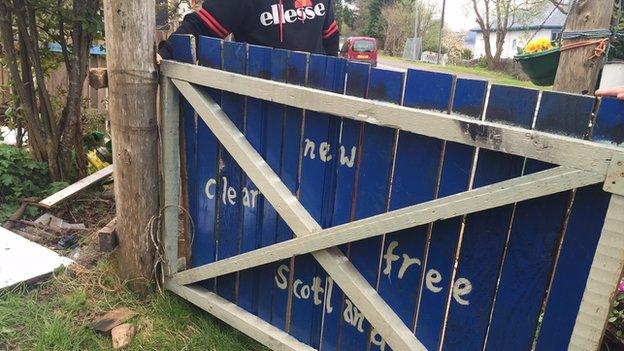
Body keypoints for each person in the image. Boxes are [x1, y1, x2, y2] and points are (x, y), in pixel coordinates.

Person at [157, 0, 340, 64]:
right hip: (259, 108)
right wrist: (166, 53)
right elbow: (202, 26)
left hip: (313, 106)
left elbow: (330, 39)